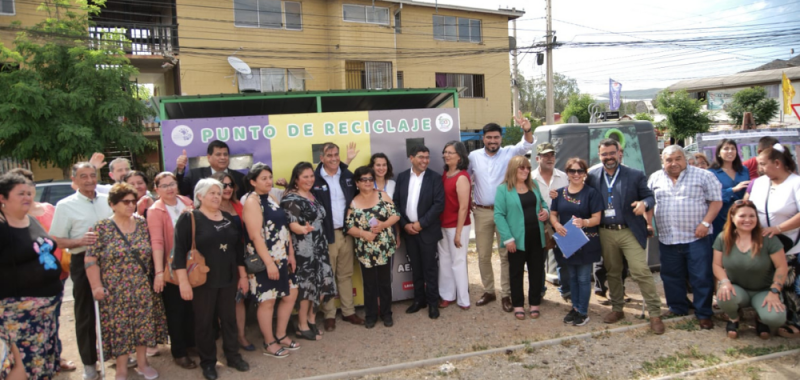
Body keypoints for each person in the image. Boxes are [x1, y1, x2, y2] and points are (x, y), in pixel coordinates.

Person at [84, 183, 167, 380]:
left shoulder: (141, 224)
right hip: (114, 289)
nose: (131, 205)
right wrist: (96, 286)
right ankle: (121, 368)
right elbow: (90, 259)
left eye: (133, 201)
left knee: (142, 325)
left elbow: (154, 249)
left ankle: (143, 363)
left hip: (141, 286)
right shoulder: (101, 228)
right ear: (112, 204)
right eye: (126, 202)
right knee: (119, 329)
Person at [173, 178, 250, 380]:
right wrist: (183, 282)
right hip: (202, 282)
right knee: (204, 323)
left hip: (228, 278)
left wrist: (242, 277)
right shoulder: (189, 218)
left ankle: (232, 355)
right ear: (200, 196)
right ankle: (208, 362)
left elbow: (237, 250)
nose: (217, 196)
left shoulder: (226, 217)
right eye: (212, 193)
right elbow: (179, 253)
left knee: (229, 319)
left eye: (219, 192)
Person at [586, 139, 664, 334]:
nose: (609, 157)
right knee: (612, 271)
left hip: (629, 230)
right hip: (605, 231)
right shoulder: (592, 176)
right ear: (599, 156)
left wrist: (643, 205)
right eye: (604, 154)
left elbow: (649, 196)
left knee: (640, 270)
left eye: (612, 153)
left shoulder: (635, 174)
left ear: (620, 154)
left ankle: (654, 313)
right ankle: (617, 308)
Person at [49, 162, 114, 380]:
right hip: (81, 260)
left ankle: (118, 353)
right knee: (85, 314)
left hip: (111, 261)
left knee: (114, 311)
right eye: (83, 176)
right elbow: (55, 239)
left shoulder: (108, 201)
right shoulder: (65, 205)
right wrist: (79, 240)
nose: (89, 180)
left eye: (92, 175)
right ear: (74, 179)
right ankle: (89, 363)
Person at [7, 168, 76, 372]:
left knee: (51, 324)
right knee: (25, 350)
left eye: (29, 187)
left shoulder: (44, 211)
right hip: (21, 299)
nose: (27, 192)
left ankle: (55, 357)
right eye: (21, 190)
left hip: (53, 282)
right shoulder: (6, 222)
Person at [647, 145, 722, 329]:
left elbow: (716, 201)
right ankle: (677, 307)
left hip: (696, 237)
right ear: (662, 161)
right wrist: (648, 223)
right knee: (671, 276)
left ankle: (703, 313)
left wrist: (705, 223)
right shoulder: (655, 178)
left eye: (677, 158)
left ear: (684, 158)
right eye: (669, 160)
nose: (673, 163)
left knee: (700, 277)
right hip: (668, 238)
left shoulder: (704, 176)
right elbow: (649, 203)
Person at [468, 111, 536, 312]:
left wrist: (527, 129)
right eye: (489, 137)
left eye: (496, 137)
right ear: (483, 139)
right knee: (482, 255)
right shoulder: (473, 156)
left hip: (506, 213)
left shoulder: (509, 152)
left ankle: (507, 294)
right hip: (481, 212)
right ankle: (489, 291)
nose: (492, 140)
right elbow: (466, 177)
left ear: (501, 138)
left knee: (506, 254)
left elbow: (527, 145)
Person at [242, 164, 300, 357]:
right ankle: (269, 342)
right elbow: (255, 236)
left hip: (283, 257)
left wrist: (290, 253)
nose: (268, 181)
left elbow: (284, 228)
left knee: (291, 293)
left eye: (270, 177)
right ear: (253, 182)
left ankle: (281, 334)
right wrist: (268, 263)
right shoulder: (252, 201)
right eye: (263, 178)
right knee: (267, 300)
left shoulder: (272, 197)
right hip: (266, 259)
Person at [713, 200, 788, 339]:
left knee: (775, 318)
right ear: (732, 217)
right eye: (742, 216)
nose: (747, 220)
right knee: (724, 295)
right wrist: (724, 281)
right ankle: (734, 318)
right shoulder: (723, 237)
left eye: (752, 216)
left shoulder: (768, 239)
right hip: (737, 288)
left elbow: (781, 267)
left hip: (763, 290)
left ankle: (760, 318)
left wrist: (775, 291)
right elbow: (717, 265)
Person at [146, 172, 197, 370]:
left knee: (192, 308)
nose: (169, 188)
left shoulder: (187, 202)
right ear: (156, 189)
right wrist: (159, 272)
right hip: (170, 267)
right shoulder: (155, 210)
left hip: (192, 265)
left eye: (172, 184)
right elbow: (157, 242)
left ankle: (192, 344)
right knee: (175, 310)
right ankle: (179, 351)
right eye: (164, 185)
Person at [311, 142, 364, 332]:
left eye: (336, 154)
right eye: (329, 155)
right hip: (327, 235)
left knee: (345, 274)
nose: (333, 158)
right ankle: (329, 314)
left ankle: (348, 311)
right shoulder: (314, 179)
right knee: (328, 276)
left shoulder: (348, 176)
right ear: (321, 158)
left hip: (347, 233)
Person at [281, 162, 337, 341]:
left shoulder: (312, 195)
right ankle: (302, 325)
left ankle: (311, 319)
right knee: (307, 287)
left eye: (311, 176)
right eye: (305, 176)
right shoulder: (290, 199)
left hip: (320, 246)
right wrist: (301, 229)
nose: (310, 179)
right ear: (296, 180)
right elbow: (291, 224)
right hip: (304, 250)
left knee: (323, 283)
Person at [494, 156, 550, 320]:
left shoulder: (534, 185)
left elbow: (543, 204)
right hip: (516, 239)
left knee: (536, 271)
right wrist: (508, 238)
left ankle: (534, 303)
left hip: (536, 236)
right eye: (522, 168)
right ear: (513, 169)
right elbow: (499, 215)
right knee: (516, 273)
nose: (526, 171)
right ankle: (518, 304)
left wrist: (545, 212)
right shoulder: (503, 189)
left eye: (527, 168)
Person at [345, 166, 401, 328]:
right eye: (364, 180)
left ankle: (386, 313)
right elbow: (348, 227)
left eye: (370, 179)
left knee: (384, 282)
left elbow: (396, 215)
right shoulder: (354, 202)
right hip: (365, 249)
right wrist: (364, 234)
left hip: (384, 247)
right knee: (369, 284)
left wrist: (383, 225)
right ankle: (370, 315)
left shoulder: (382, 195)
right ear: (357, 183)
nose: (368, 182)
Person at [549, 158, 603, 326]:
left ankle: (583, 311)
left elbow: (597, 218)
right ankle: (575, 307)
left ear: (585, 174)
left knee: (583, 278)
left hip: (586, 242)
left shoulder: (591, 193)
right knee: (571, 276)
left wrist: (584, 222)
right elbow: (553, 213)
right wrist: (556, 225)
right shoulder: (559, 193)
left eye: (580, 171)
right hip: (568, 242)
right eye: (572, 171)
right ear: (568, 174)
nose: (576, 174)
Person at [395, 145, 446, 319]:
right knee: (415, 269)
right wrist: (405, 225)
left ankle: (433, 303)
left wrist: (420, 224)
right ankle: (419, 300)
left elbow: (438, 204)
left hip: (426, 232)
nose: (425, 160)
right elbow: (396, 204)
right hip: (408, 232)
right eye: (421, 157)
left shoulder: (435, 178)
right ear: (411, 158)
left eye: (427, 157)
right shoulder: (402, 178)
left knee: (430, 269)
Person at [210, 171, 253, 351]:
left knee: (240, 299)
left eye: (230, 185)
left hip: (241, 258)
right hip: (220, 261)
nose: (227, 189)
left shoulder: (239, 206)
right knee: (224, 302)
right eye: (223, 185)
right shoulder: (211, 209)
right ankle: (230, 340)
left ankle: (241, 336)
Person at [437, 141, 472, 310]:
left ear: (460, 156)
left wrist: (458, 233)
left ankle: (463, 299)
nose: (446, 155)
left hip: (458, 227)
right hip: (443, 225)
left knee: (458, 262)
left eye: (450, 152)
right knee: (444, 261)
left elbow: (464, 207)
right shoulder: (445, 174)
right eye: (445, 152)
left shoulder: (462, 177)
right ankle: (447, 295)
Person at [749, 144, 800, 256]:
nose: (760, 169)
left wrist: (778, 228)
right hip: (761, 244)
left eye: (762, 164)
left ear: (777, 163)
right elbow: (750, 207)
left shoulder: (796, 183)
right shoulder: (759, 182)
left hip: (790, 245)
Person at [535, 143, 570, 301]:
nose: (549, 159)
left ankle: (566, 290)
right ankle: (540, 290)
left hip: (561, 223)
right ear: (538, 158)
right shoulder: (530, 178)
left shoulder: (563, 177)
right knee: (538, 260)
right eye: (545, 156)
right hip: (539, 225)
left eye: (552, 155)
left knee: (563, 258)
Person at [175, 140, 247, 200]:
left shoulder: (240, 178)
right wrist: (180, 170)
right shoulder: (195, 175)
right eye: (218, 155)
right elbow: (180, 191)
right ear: (209, 157)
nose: (223, 157)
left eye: (225, 154)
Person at [709, 139, 750, 240]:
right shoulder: (711, 172)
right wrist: (733, 190)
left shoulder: (743, 170)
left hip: (742, 215)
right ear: (719, 153)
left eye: (733, 149)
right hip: (721, 216)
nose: (730, 151)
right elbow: (711, 196)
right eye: (726, 149)